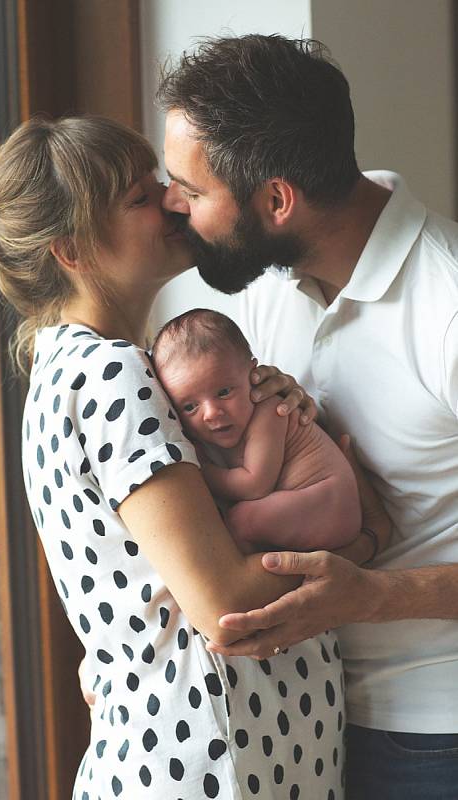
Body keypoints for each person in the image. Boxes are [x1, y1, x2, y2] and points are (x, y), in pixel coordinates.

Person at [0, 116, 387, 799]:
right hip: (210, 762)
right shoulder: (111, 375)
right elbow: (224, 605)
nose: (173, 201)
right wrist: (364, 542)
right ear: (73, 250)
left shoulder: (83, 370)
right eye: (140, 198)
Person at [158, 33, 458, 799]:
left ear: (276, 199)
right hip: (298, 715)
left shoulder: (448, 307)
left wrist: (374, 595)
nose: (171, 205)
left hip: (432, 736)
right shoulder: (261, 294)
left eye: (189, 190)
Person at [152, 307, 361, 553]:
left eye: (224, 392)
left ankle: (244, 576)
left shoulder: (271, 411)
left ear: (254, 374)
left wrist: (201, 472)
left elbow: (254, 485)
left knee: (241, 520)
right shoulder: (208, 427)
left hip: (328, 503)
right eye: (189, 407)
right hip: (305, 508)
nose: (211, 413)